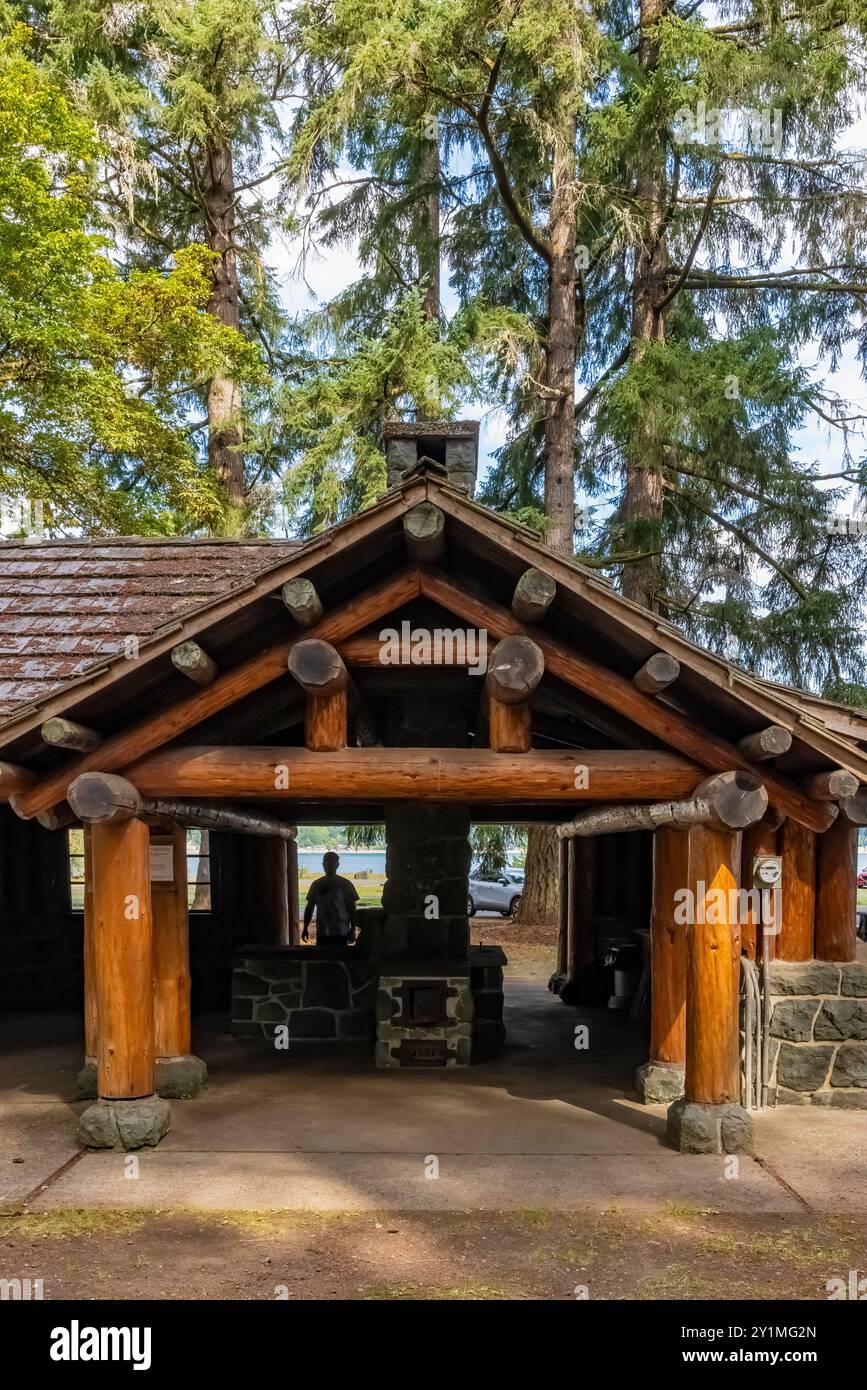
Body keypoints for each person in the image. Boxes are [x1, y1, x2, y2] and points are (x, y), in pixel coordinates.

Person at [301, 852, 359, 948]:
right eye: (326, 864)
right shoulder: (316, 884)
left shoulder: (346, 885)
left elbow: (352, 909)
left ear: (337, 865)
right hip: (322, 932)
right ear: (323, 865)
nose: (329, 866)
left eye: (332, 864)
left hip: (341, 932)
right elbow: (309, 907)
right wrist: (305, 928)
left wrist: (353, 930)